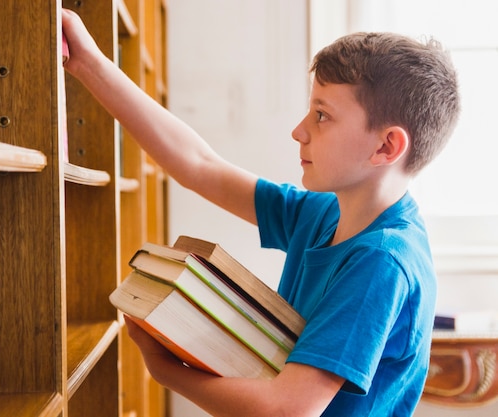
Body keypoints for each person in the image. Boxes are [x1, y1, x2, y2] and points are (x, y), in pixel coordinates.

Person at [62, 8, 460, 417]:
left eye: (322, 115)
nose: (299, 130)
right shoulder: (325, 211)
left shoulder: (382, 261)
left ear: (385, 148)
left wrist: (166, 371)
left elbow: (287, 410)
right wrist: (87, 61)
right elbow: (199, 165)